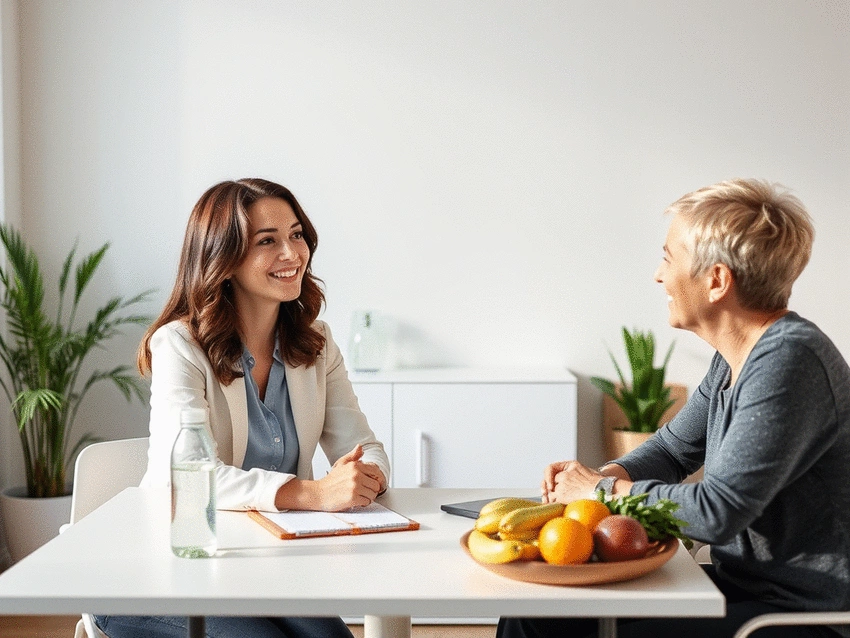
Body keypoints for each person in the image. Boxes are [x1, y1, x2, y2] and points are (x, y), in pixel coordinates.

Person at [498, 179, 850, 638]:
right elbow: (670, 450)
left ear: (717, 280)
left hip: (802, 612)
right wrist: (602, 478)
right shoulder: (734, 358)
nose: (658, 276)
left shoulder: (789, 362)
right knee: (535, 612)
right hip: (741, 586)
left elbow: (717, 511)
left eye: (668, 258)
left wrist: (601, 491)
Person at [94, 178, 390, 638]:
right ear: (224, 259)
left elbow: (364, 447)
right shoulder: (179, 345)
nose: (291, 253)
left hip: (265, 564)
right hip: (165, 568)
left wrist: (364, 478)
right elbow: (187, 476)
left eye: (296, 235)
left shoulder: (316, 343)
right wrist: (314, 494)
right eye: (267, 241)